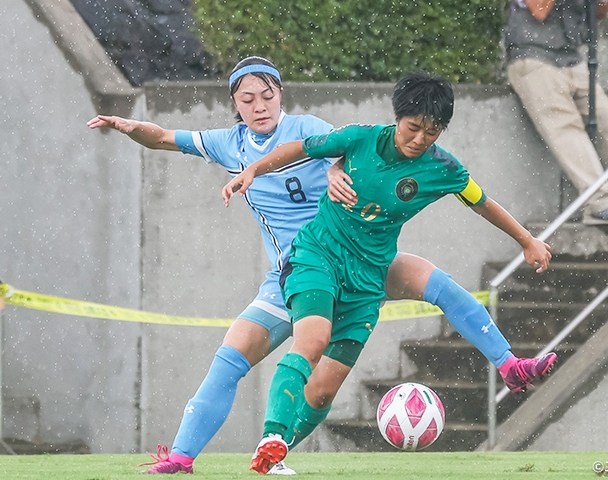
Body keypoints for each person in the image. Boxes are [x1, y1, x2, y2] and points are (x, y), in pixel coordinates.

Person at [89, 58, 554, 476]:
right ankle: (183, 458)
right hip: (301, 265)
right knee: (232, 360)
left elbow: (342, 150)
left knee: (435, 290)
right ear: (234, 103)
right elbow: (165, 138)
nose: (259, 105)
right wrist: (132, 127)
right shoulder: (227, 144)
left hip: (363, 255)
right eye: (247, 98)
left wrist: (334, 172)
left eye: (267, 95)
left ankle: (509, 364)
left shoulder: (313, 126)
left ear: (280, 95)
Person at [222, 70, 556, 475]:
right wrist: (254, 169)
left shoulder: (444, 168)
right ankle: (271, 435)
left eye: (431, 132)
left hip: (368, 279)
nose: (419, 139)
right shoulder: (360, 138)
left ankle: (510, 366)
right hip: (317, 256)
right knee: (313, 339)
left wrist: (527, 240)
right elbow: (299, 148)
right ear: (398, 117)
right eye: (413, 128)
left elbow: (482, 202)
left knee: (324, 391)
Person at [504, 0, 608, 225]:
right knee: (566, 130)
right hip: (533, 58)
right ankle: (600, 205)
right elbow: (539, 9)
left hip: (571, 59)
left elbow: (600, 12)